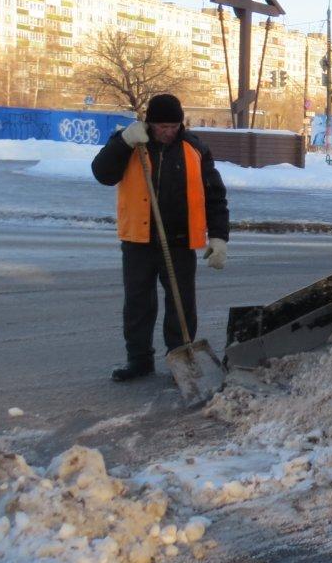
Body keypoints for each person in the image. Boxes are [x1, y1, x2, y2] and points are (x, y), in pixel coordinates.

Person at [91, 94, 230, 382]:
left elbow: (214, 195)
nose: (167, 132)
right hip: (138, 240)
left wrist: (219, 237)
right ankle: (139, 360)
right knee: (138, 304)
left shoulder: (194, 148)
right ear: (149, 122)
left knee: (181, 303)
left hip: (178, 241)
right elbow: (102, 174)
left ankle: (180, 358)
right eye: (161, 126)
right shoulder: (132, 143)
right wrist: (123, 142)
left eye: (173, 125)